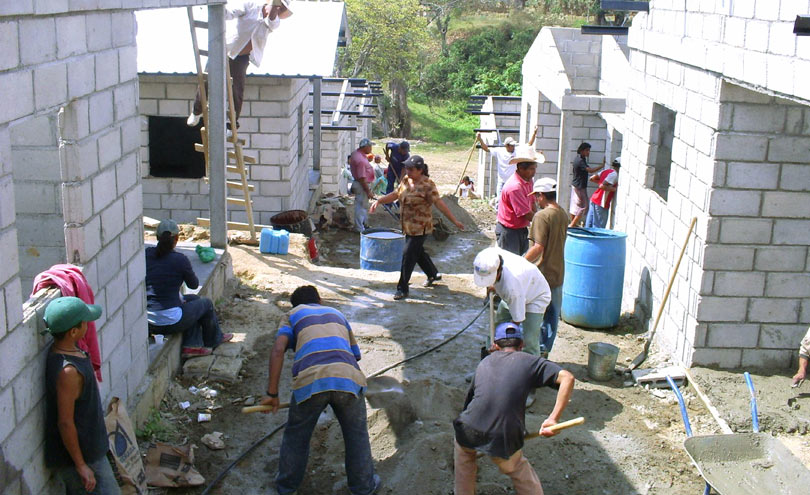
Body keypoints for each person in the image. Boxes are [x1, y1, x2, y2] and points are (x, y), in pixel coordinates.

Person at [260, 286, 380, 495]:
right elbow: (354, 355)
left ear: (296, 305)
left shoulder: (292, 315)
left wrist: (272, 394)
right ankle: (364, 487)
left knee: (297, 435)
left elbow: (279, 349)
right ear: (320, 300)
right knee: (357, 436)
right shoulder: (338, 314)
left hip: (311, 381)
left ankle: (286, 487)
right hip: (348, 379)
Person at [453, 321, 575, 495]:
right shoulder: (530, 361)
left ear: (495, 345)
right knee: (518, 468)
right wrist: (553, 418)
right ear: (522, 345)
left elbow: (468, 404)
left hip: (468, 429)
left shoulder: (484, 363)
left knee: (464, 459)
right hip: (503, 435)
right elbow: (567, 378)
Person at [43, 296, 121, 495]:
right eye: (84, 322)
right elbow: (65, 423)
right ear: (73, 332)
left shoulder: (71, 351)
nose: (89, 324)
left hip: (91, 449)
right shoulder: (68, 372)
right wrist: (81, 466)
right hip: (84, 457)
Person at [370, 155, 465, 300]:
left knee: (408, 255)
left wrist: (454, 220)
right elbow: (396, 194)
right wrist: (379, 201)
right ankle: (432, 273)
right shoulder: (406, 181)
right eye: (406, 168)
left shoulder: (428, 185)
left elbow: (439, 204)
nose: (407, 171)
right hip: (407, 226)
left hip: (421, 228)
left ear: (420, 170)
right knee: (417, 252)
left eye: (411, 169)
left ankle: (402, 288)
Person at [188, 0, 293, 131]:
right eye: (278, 6)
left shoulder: (274, 21)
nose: (278, 10)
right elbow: (230, 13)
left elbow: (271, 20)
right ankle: (196, 111)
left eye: (280, 9)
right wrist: (219, 9)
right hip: (226, 48)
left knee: (237, 89)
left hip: (242, 57)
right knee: (208, 79)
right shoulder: (250, 6)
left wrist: (275, 6)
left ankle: (231, 125)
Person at [145, 219, 232, 358]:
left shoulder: (147, 254)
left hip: (149, 321)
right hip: (170, 321)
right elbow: (193, 284)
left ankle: (193, 343)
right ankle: (213, 339)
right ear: (177, 239)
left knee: (194, 300)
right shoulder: (179, 260)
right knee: (206, 304)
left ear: (157, 238)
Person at [473, 247, 551, 362]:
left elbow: (516, 320)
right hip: (518, 288)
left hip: (536, 295)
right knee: (496, 329)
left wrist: (503, 340)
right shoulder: (487, 257)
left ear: (498, 271)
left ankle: (532, 370)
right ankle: (489, 365)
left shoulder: (512, 287)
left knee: (529, 340)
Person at [525, 178, 568, 357]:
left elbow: (538, 247)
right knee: (552, 317)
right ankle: (544, 352)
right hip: (557, 272)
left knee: (532, 316)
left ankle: (532, 353)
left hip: (541, 274)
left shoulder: (542, 216)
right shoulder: (563, 213)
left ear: (541, 195)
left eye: (537, 196)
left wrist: (520, 263)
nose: (536, 200)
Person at [496, 144, 542, 256]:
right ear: (521, 168)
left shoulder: (528, 180)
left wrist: (537, 220)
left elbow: (531, 202)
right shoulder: (515, 187)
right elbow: (525, 213)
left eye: (535, 168)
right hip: (509, 231)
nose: (534, 172)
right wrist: (543, 223)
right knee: (510, 264)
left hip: (521, 228)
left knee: (521, 261)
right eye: (531, 169)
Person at [478, 126, 539, 204]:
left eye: (514, 145)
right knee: (500, 201)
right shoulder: (499, 151)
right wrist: (480, 139)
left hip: (513, 182)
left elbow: (529, 144)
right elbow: (486, 149)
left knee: (513, 201)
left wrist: (534, 133)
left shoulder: (517, 150)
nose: (513, 147)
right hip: (502, 181)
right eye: (511, 145)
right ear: (507, 145)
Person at [569, 142, 604, 227]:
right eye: (587, 150)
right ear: (582, 151)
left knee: (575, 205)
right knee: (584, 206)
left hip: (577, 185)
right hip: (580, 187)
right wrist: (602, 166)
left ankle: (573, 223)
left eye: (589, 150)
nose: (588, 152)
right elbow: (590, 170)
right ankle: (572, 225)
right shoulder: (580, 161)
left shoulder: (580, 159)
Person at [585, 156, 621, 229]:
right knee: (598, 228)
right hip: (601, 202)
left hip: (594, 199)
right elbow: (602, 186)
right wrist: (613, 189)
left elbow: (591, 179)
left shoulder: (607, 171)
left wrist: (600, 183)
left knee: (589, 225)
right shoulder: (615, 174)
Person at [349, 138, 376, 232]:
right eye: (370, 146)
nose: (371, 148)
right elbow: (362, 178)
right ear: (365, 147)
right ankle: (359, 228)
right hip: (362, 185)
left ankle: (363, 224)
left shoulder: (357, 154)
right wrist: (368, 191)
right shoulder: (360, 160)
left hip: (360, 184)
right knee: (361, 207)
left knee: (363, 205)